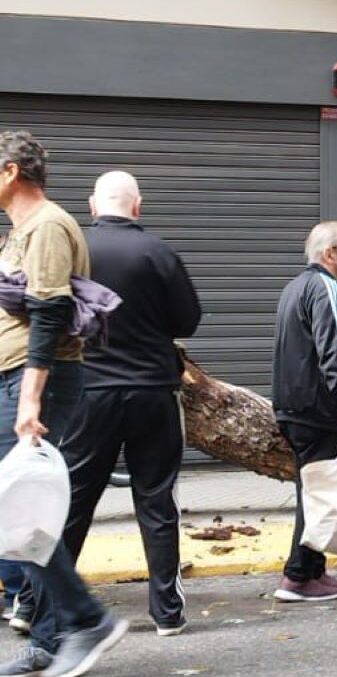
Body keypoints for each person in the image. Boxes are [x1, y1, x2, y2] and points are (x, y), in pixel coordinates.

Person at [0, 130, 127, 677]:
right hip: (14, 379)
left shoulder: (48, 224)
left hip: (35, 385)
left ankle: (84, 620)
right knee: (20, 513)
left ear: (10, 172)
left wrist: (30, 399)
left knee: (20, 511)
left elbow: (50, 313)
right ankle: (51, 638)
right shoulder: (20, 230)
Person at [55, 171, 201, 637]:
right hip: (153, 392)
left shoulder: (72, 249)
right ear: (137, 206)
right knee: (157, 500)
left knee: (74, 500)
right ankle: (167, 613)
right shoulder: (158, 252)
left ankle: (44, 608)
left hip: (88, 393)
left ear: (93, 206)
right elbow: (188, 320)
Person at [272, 221, 337, 602]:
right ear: (331, 254)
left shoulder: (295, 286)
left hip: (294, 405)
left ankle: (314, 570)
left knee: (316, 490)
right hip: (316, 407)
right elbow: (334, 349)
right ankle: (297, 576)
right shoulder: (326, 288)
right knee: (318, 495)